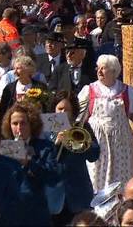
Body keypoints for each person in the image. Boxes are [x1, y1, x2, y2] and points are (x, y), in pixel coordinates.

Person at [78, 54, 133, 192]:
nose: (99, 71)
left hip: (121, 141)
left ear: (114, 71)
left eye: (104, 68)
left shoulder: (127, 91)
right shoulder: (89, 90)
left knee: (122, 176)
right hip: (98, 142)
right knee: (96, 175)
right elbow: (80, 118)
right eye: (98, 68)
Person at [1, 103, 62, 226]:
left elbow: (54, 176)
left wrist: (29, 163)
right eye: (15, 124)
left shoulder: (45, 147)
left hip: (36, 214)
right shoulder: (3, 148)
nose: (19, 128)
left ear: (31, 124)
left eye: (23, 123)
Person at [46, 90, 100, 225]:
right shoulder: (46, 129)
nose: (62, 113)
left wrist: (78, 141)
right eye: (59, 109)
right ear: (54, 110)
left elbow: (94, 155)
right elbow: (43, 157)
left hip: (78, 195)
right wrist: (56, 143)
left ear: (73, 112)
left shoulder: (82, 127)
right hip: (53, 197)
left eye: (66, 110)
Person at [0, 56, 48, 121]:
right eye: (14, 68)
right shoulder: (9, 88)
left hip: (35, 124)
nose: (14, 72)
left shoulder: (41, 87)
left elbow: (46, 108)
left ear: (28, 69)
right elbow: (2, 111)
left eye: (18, 68)